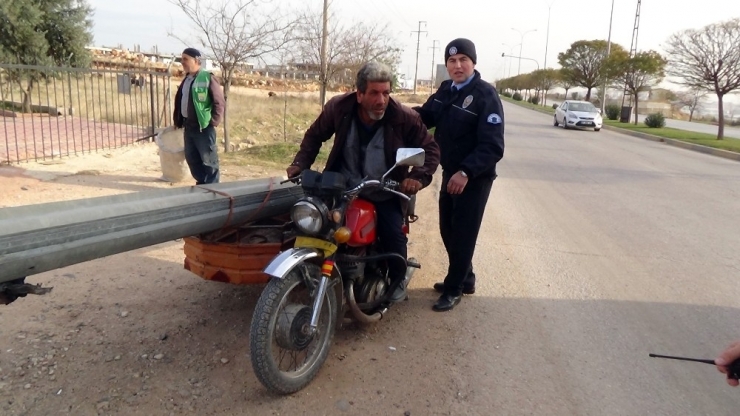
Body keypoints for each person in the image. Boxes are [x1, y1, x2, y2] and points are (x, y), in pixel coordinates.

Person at [287, 61, 440, 302]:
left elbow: (430, 149)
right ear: (359, 94)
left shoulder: (403, 116)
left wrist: (415, 178)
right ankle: (307, 273)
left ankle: (397, 280)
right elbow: (315, 136)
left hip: (385, 190)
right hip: (342, 187)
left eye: (386, 93)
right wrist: (300, 163)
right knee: (311, 223)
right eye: (374, 93)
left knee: (393, 234)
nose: (381, 100)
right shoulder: (339, 108)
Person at [414, 38, 505, 312]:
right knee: (447, 228)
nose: (457, 65)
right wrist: (396, 114)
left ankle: (454, 288)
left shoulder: (485, 95)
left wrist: (466, 171)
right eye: (452, 61)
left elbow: (493, 146)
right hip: (451, 172)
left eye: (463, 59)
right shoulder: (446, 90)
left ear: (473, 63)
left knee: (463, 233)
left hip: (473, 178)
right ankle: (466, 278)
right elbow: (425, 116)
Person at [173, 47, 225, 185]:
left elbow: (219, 102)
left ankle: (213, 187)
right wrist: (178, 120)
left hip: (203, 127)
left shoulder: (207, 78)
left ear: (196, 61)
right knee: (192, 158)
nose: (182, 62)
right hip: (188, 127)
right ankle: (202, 184)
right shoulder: (187, 80)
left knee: (208, 160)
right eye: (181, 59)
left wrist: (213, 122)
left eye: (185, 59)